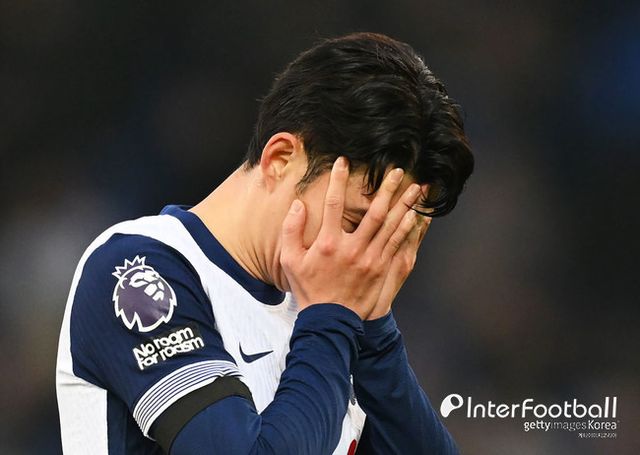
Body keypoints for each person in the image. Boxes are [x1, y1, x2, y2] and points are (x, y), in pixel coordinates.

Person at [56, 32, 474, 454]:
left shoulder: (325, 308)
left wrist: (376, 333)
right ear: (281, 159)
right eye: (354, 221)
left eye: (388, 236)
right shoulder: (138, 270)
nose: (365, 258)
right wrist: (334, 315)